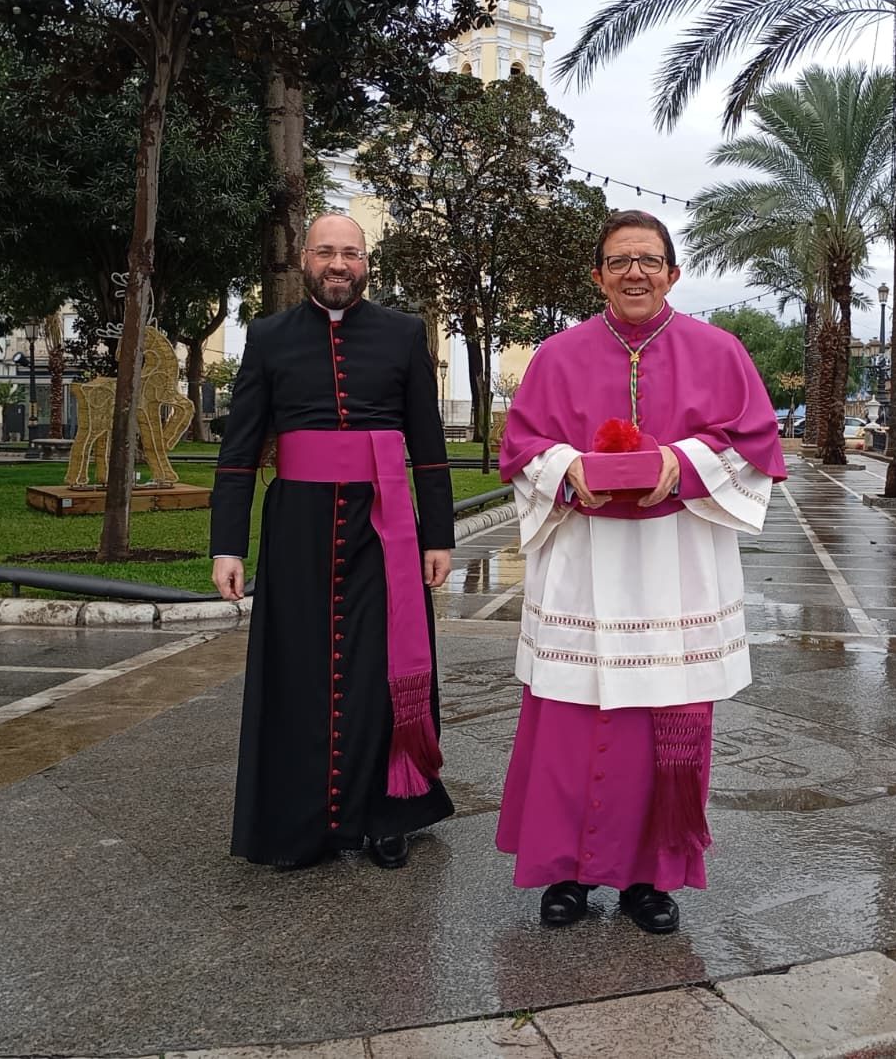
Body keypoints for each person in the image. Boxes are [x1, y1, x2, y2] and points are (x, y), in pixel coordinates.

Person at [496, 209, 786, 934]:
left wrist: (677, 463)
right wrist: (567, 468)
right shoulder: (557, 355)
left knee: (668, 724)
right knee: (568, 718)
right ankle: (563, 875)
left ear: (673, 273)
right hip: (584, 564)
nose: (635, 272)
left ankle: (650, 880)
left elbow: (756, 444)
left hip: (677, 563)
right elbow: (523, 444)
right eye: (620, 260)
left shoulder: (719, 351)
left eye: (649, 260)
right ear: (597, 275)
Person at [211, 213, 455, 871]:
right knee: (299, 669)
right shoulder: (267, 338)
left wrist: (440, 536)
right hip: (298, 525)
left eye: (350, 252)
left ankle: (385, 815)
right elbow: (238, 453)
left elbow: (428, 449)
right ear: (304, 259)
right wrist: (226, 546)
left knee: (382, 668)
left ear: (366, 262)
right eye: (326, 252)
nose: (338, 263)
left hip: (386, 526)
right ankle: (302, 822)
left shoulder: (403, 333)